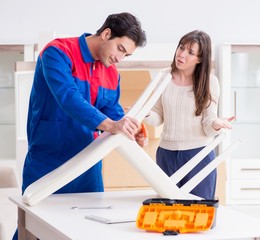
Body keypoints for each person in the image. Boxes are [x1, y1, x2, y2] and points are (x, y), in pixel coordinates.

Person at [12, 12, 147, 239]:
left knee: (89, 230)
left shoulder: (112, 73)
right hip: (48, 160)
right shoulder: (57, 52)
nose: (120, 59)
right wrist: (112, 125)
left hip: (88, 164)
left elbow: (113, 112)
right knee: (33, 228)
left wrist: (131, 131)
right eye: (121, 49)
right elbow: (68, 97)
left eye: (127, 55)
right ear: (106, 33)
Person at [144, 30, 235, 199]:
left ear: (199, 59)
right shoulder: (164, 76)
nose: (182, 54)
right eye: (181, 47)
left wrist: (216, 124)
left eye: (190, 52)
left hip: (198, 155)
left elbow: (209, 123)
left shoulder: (209, 81)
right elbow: (157, 117)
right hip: (166, 155)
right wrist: (144, 113)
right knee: (168, 214)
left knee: (199, 213)